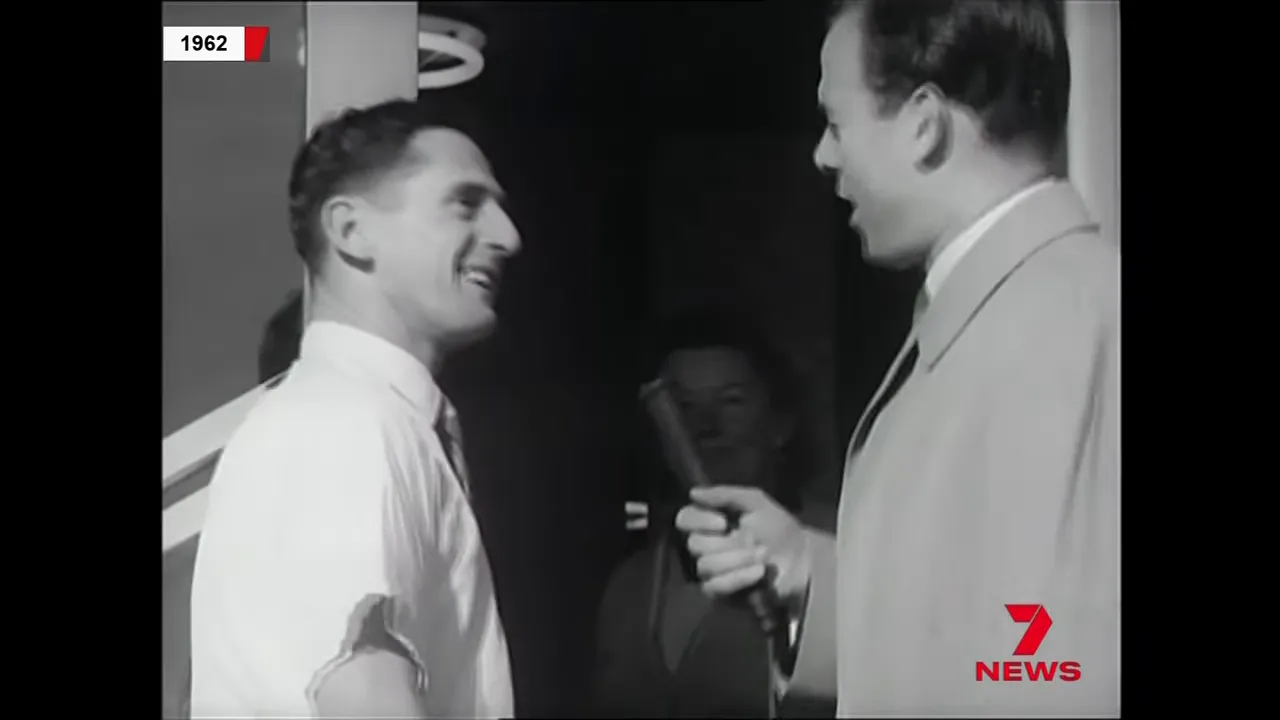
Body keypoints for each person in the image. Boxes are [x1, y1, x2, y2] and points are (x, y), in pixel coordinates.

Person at [676, 1, 1119, 716]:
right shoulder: (1009, 314)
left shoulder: (1059, 327)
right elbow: (994, 639)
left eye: (835, 121)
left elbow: (1053, 675)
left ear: (923, 124)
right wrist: (807, 574)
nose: (824, 154)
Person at [188, 98, 523, 718]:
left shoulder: (355, 419)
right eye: (466, 203)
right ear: (349, 231)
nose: (508, 236)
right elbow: (364, 699)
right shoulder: (347, 425)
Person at [592, 308, 836, 718]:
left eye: (732, 401)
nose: (705, 427)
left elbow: (975, 671)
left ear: (780, 423)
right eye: (682, 406)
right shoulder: (630, 585)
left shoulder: (841, 550)